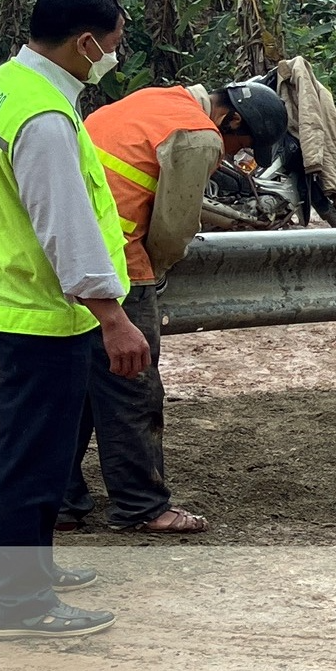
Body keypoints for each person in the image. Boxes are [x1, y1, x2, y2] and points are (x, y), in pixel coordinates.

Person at [0, 0, 149, 640]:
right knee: (33, 461)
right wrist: (114, 316)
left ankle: (25, 570)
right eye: (113, 45)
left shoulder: (9, 83)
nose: (113, 56)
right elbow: (64, 225)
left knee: (33, 452)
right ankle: (19, 604)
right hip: (44, 314)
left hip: (18, 301)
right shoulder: (43, 117)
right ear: (84, 43)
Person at [63, 80, 288, 534]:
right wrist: (155, 275)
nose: (226, 156)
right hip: (120, 263)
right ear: (231, 121)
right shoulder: (198, 133)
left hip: (73, 257)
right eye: (238, 146)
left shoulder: (154, 99)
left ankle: (62, 500)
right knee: (134, 389)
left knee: (80, 388)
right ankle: (142, 507)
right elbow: (173, 228)